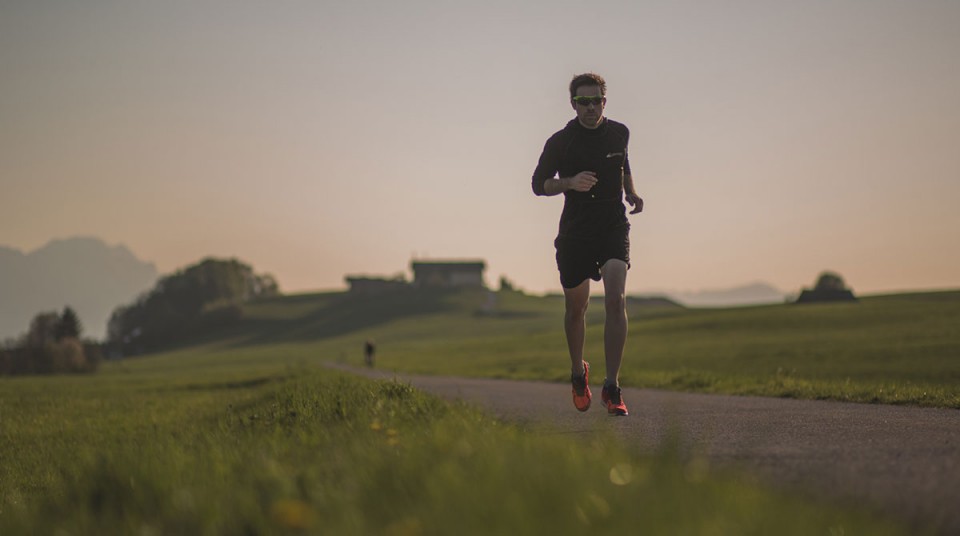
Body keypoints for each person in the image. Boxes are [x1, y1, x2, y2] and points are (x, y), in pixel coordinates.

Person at [531, 73, 643, 416]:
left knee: (615, 299)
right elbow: (538, 185)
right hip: (576, 232)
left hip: (612, 225)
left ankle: (612, 386)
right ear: (573, 104)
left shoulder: (620, 132)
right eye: (584, 102)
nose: (591, 107)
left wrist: (631, 192)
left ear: (604, 102)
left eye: (596, 101)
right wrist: (569, 183)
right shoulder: (560, 142)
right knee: (576, 310)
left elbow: (622, 165)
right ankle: (579, 373)